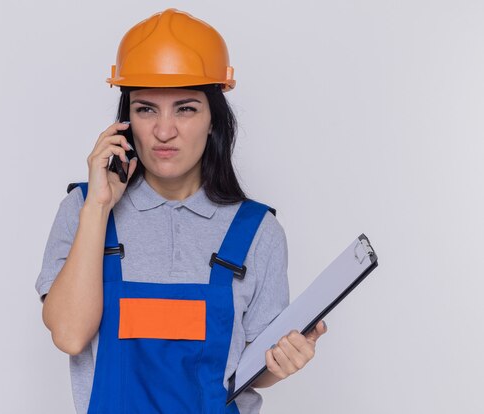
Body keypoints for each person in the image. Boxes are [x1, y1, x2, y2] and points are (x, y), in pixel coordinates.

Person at [35, 8, 327, 413]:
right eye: (146, 109)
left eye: (186, 108)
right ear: (126, 122)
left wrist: (283, 361)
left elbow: (253, 368)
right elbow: (68, 335)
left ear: (213, 120)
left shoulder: (257, 231)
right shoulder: (85, 209)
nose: (164, 130)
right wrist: (99, 208)